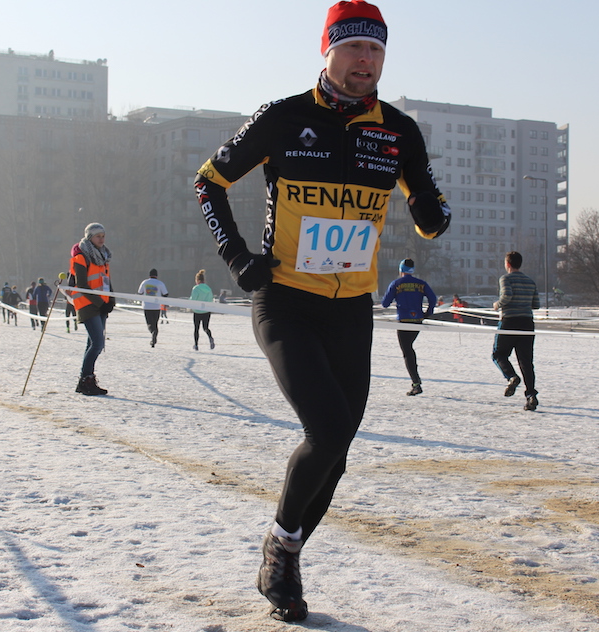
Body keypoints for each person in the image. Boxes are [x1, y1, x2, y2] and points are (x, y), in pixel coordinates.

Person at [193, 0, 450, 621]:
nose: (367, 60)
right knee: (328, 430)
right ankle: (281, 552)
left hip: (350, 309)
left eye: (377, 50)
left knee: (337, 448)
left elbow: (429, 209)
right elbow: (208, 182)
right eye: (354, 47)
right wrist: (236, 257)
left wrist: (432, 212)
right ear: (329, 51)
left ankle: (285, 551)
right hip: (285, 301)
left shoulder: (399, 130)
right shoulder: (284, 117)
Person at [68, 222, 114, 396]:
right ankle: (85, 379)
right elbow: (82, 285)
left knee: (92, 343)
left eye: (103, 236)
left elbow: (106, 280)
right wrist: (100, 303)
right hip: (87, 303)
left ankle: (87, 380)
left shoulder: (103, 256)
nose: (101, 239)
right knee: (98, 343)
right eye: (97, 236)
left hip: (101, 304)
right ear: (89, 238)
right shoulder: (81, 256)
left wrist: (111, 299)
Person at [492, 251, 540, 411]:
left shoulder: (505, 279)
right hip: (527, 323)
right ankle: (531, 396)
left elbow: (507, 296)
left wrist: (497, 304)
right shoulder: (530, 281)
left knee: (498, 354)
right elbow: (536, 304)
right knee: (526, 362)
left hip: (509, 321)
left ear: (508, 264)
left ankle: (511, 377)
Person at [381, 258, 436, 395]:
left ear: (401, 270)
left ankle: (416, 383)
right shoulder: (421, 283)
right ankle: (416, 381)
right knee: (409, 349)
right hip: (417, 321)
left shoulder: (396, 284)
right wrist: (428, 312)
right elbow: (433, 298)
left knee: (407, 351)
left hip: (404, 321)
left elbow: (385, 303)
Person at [137, 268, 169, 348]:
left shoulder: (144, 282)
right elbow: (166, 294)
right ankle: (154, 336)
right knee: (155, 323)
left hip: (147, 306)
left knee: (149, 324)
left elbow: (139, 293)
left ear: (149, 275)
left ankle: (153, 333)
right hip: (156, 307)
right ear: (157, 275)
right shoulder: (160, 283)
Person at [189, 269, 215, 351]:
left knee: (196, 328)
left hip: (197, 311)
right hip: (206, 311)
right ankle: (210, 337)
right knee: (205, 327)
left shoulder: (195, 288)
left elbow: (193, 299)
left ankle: (196, 345)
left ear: (197, 280)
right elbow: (211, 299)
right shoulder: (208, 288)